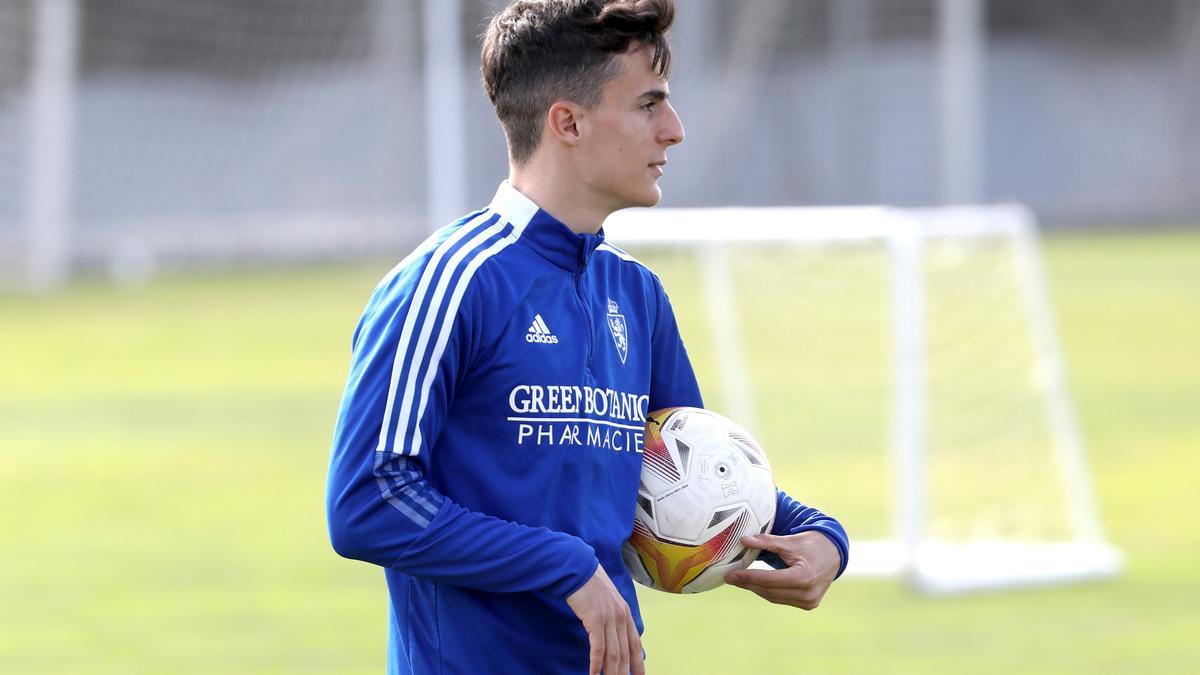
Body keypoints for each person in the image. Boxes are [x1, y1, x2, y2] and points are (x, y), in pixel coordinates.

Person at [325, 1, 849, 673]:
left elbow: (693, 470)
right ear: (566, 121)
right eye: (649, 104)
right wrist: (558, 563)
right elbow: (367, 499)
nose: (676, 130)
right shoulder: (450, 282)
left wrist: (823, 537)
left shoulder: (637, 296)